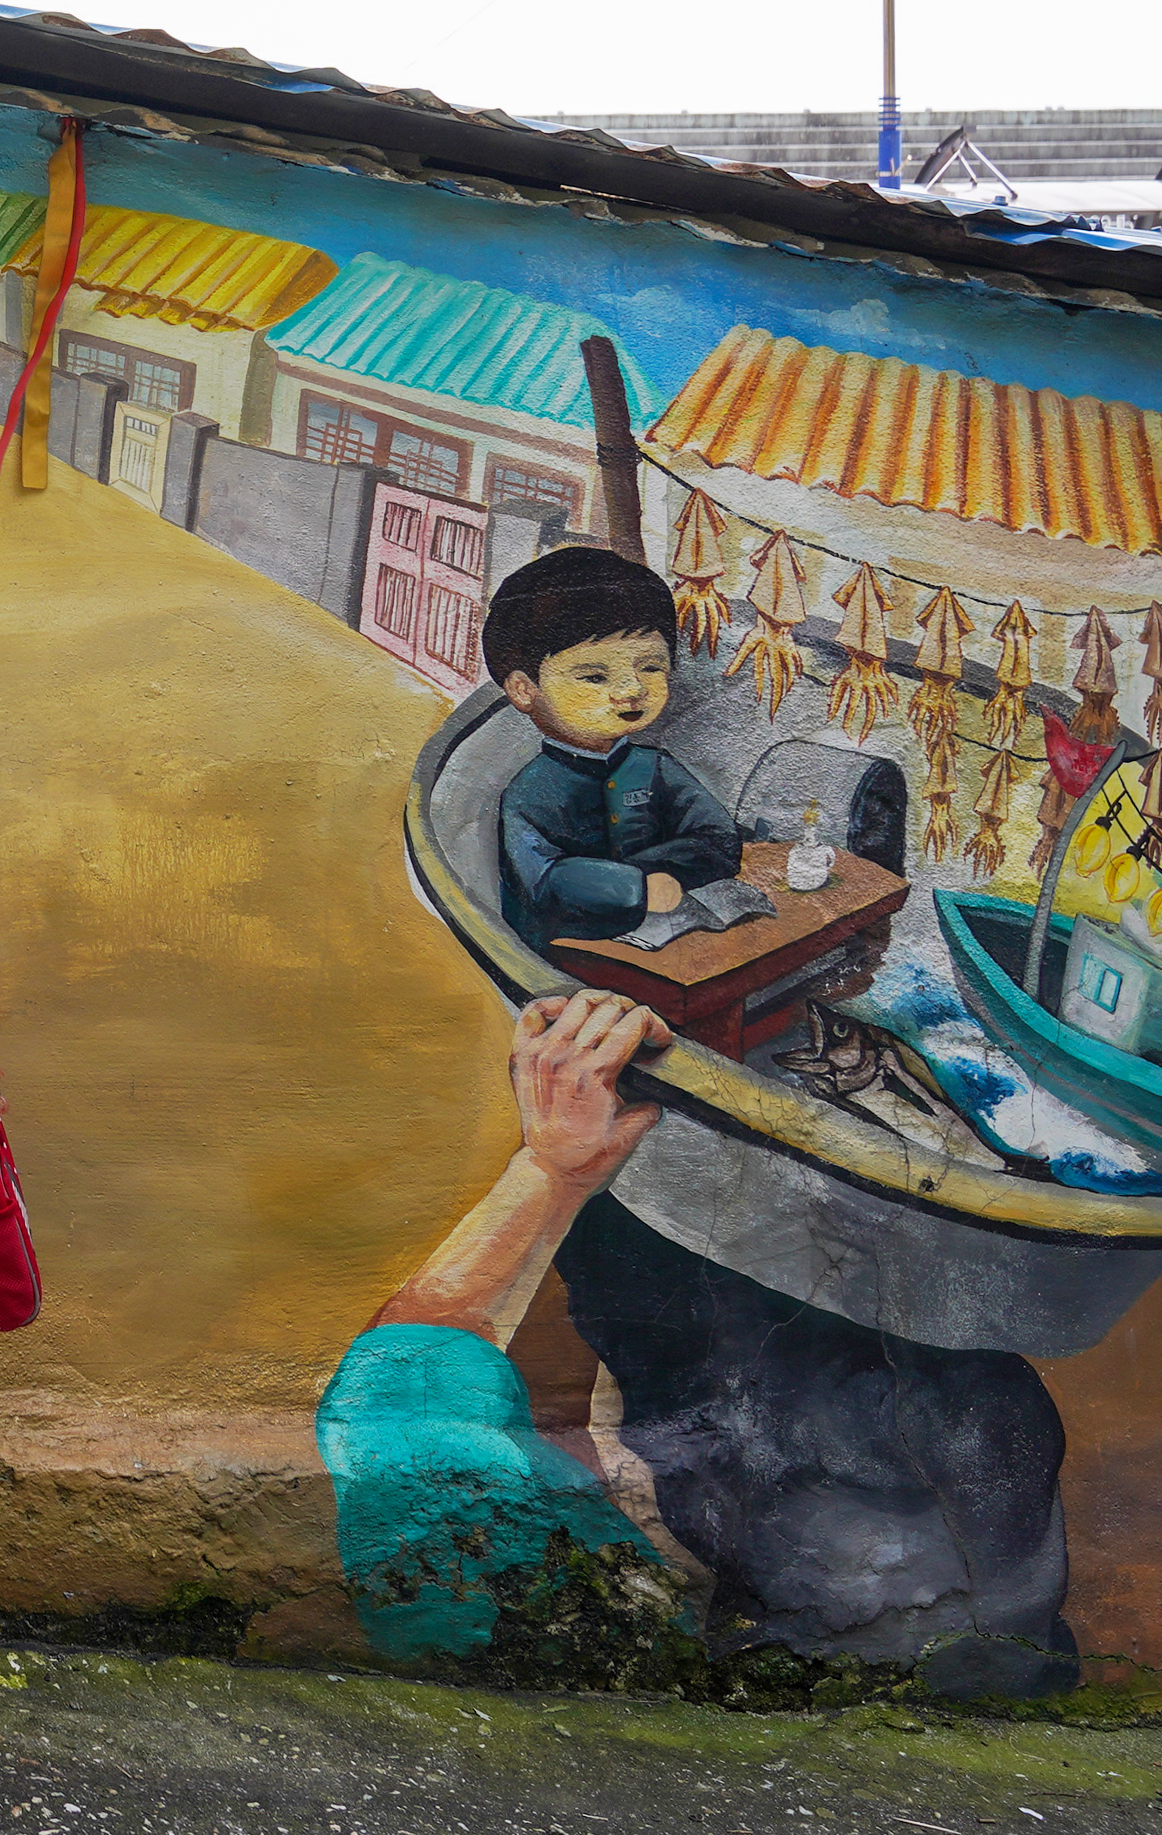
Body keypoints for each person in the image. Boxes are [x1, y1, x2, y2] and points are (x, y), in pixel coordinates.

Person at [314, 991, 675, 1661]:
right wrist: (550, 1169)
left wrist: (552, 1171)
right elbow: (392, 1397)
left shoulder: (459, 1608)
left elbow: (395, 1392)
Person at [482, 545, 740, 949]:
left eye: (651, 667)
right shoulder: (529, 794)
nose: (633, 689)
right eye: (594, 677)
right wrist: (634, 886)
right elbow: (544, 880)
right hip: (574, 957)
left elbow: (719, 838)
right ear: (523, 689)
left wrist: (655, 878)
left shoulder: (655, 767)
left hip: (672, 941)